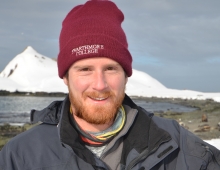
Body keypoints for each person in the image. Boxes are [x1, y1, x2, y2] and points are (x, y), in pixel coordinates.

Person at [0, 0, 220, 169]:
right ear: (65, 77)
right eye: (85, 69)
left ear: (126, 75)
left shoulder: (179, 146)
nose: (99, 84)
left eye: (111, 69)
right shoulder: (20, 156)